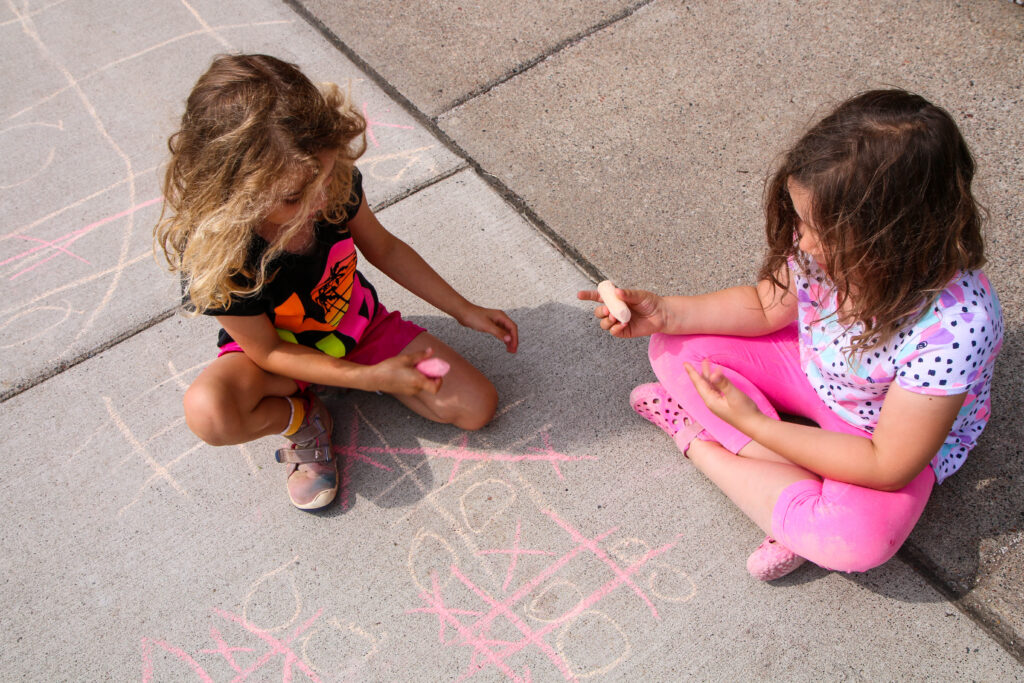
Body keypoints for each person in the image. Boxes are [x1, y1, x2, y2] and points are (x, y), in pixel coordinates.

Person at [579, 89, 1003, 580]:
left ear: (888, 237)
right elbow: (766, 305)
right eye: (799, 219)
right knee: (676, 348)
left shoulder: (955, 326)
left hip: (878, 435)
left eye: (814, 227)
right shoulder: (828, 250)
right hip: (816, 370)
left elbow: (888, 464)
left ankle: (696, 439)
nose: (798, 238)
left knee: (855, 542)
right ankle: (797, 489)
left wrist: (758, 426)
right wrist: (667, 314)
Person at [155, 54, 518, 511]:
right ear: (232, 191)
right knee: (210, 412)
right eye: (292, 198)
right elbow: (267, 350)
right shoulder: (216, 253)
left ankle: (372, 380)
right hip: (274, 362)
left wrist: (462, 308)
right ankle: (303, 417)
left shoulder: (328, 180)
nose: (320, 200)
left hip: (356, 327)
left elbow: (383, 248)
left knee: (476, 406)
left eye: (324, 177)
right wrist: (366, 379)